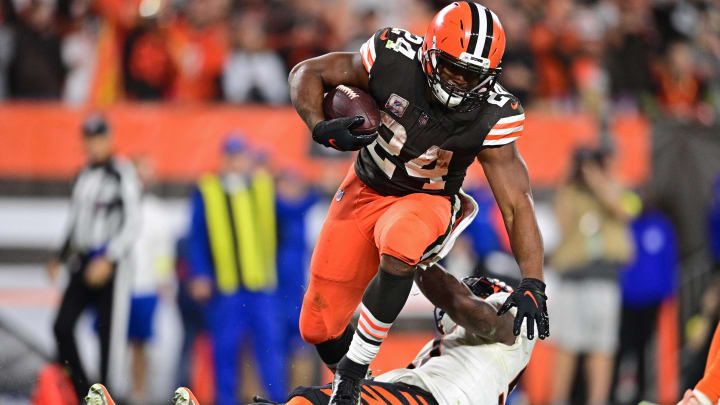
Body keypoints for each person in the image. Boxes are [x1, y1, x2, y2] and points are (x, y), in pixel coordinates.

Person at [288, 2, 548, 403]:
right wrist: (317, 125)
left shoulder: (494, 112)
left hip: (427, 200)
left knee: (402, 241)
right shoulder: (393, 56)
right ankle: (360, 381)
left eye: (471, 75)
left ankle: (352, 381)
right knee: (318, 326)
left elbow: (516, 200)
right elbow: (307, 71)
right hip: (365, 188)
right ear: (427, 51)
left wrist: (532, 280)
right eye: (451, 67)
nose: (460, 82)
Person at [83, 264, 536, 405]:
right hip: (420, 397)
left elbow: (468, 309)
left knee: (311, 402)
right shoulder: (454, 352)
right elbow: (360, 377)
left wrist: (414, 258)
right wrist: (331, 338)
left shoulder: (514, 323)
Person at [47, 114, 141, 400]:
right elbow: (77, 223)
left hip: (112, 266)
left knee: (108, 342)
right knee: (62, 326)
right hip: (84, 260)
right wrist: (60, 257)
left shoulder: (122, 172)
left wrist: (110, 259)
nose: (92, 145)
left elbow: (133, 222)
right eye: (88, 140)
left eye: (98, 139)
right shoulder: (83, 175)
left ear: (109, 140)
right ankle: (84, 391)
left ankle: (109, 394)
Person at [186, 134, 285, 403]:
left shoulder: (262, 185)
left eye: (240, 157)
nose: (236, 163)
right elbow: (196, 238)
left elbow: (288, 216)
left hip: (261, 286)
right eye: (231, 157)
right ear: (224, 159)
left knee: (269, 351)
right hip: (227, 288)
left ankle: (276, 399)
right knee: (225, 352)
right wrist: (200, 275)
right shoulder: (208, 189)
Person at [549, 147, 634, 405]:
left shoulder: (616, 186)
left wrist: (598, 178)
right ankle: (558, 400)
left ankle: (598, 401)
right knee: (566, 346)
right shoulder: (570, 193)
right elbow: (561, 222)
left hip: (604, 279)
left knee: (602, 347)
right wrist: (569, 177)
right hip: (573, 277)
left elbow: (624, 211)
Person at [127, 156, 175, 404]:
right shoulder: (116, 207)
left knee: (142, 344)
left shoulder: (157, 213)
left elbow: (162, 252)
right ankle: (119, 388)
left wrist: (163, 280)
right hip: (119, 288)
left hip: (145, 287)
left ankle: (139, 393)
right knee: (116, 343)